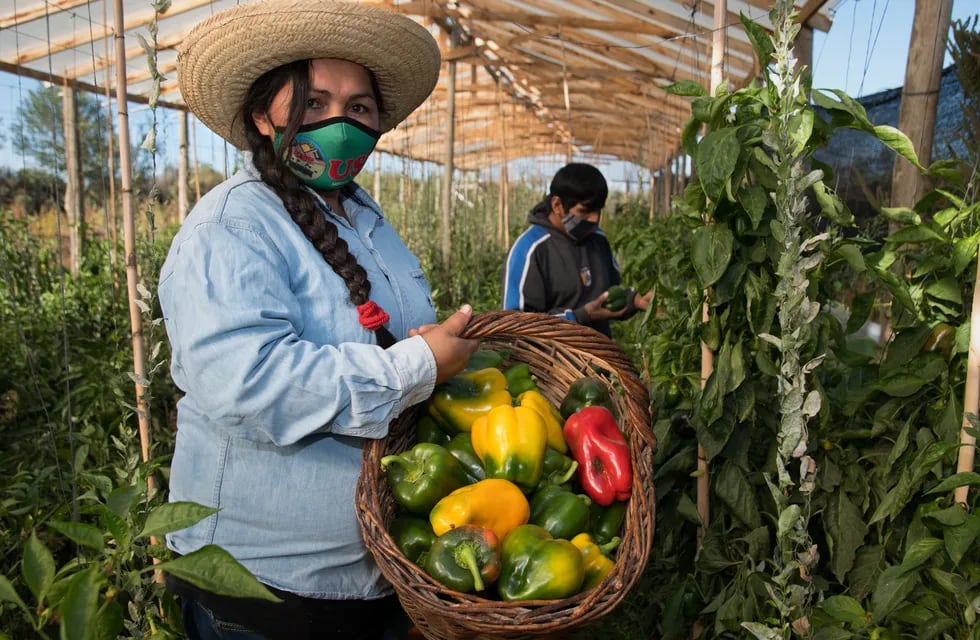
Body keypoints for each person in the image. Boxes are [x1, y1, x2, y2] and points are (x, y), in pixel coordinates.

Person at [157, 2, 478, 638]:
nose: (339, 124)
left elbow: (387, 339)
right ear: (260, 115)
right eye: (314, 102)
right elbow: (248, 383)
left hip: (377, 571)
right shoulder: (232, 227)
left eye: (358, 108)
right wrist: (415, 365)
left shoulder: (369, 221)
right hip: (266, 592)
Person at [502, 162, 653, 336]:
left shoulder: (597, 239)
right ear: (557, 205)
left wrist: (633, 300)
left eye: (598, 211)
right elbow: (515, 324)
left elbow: (609, 298)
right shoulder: (530, 249)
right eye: (584, 211)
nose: (594, 219)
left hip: (600, 356)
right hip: (550, 360)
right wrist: (580, 316)